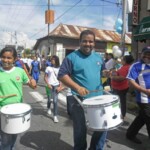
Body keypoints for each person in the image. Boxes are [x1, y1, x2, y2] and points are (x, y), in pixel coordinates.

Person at [58, 30, 107, 150]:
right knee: (80, 130)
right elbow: (62, 75)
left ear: (94, 43)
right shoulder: (71, 57)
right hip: (79, 101)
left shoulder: (99, 58)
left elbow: (102, 73)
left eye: (90, 41)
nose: (87, 44)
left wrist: (107, 74)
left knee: (102, 127)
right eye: (84, 41)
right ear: (80, 42)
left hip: (98, 99)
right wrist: (77, 87)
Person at [0, 47, 36, 150]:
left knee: (14, 137)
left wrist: (32, 81)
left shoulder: (20, 71)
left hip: (17, 111)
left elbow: (30, 84)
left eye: (9, 58)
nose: (6, 60)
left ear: (14, 59)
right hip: (2, 111)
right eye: (3, 57)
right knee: (5, 140)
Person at [126, 46, 150, 144]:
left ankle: (130, 134)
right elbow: (130, 81)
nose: (147, 56)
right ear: (141, 54)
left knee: (142, 117)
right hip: (144, 99)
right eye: (146, 54)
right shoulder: (136, 66)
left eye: (149, 54)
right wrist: (144, 90)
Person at [110, 55, 134, 120]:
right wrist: (113, 72)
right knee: (121, 101)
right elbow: (118, 74)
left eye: (122, 59)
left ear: (125, 61)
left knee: (120, 102)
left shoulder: (125, 68)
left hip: (120, 88)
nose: (121, 61)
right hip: (121, 87)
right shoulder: (125, 67)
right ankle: (121, 114)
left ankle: (121, 115)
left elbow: (121, 78)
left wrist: (111, 76)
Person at [44, 55, 63, 123]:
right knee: (49, 100)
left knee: (55, 101)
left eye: (53, 60)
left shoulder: (60, 68)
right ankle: (48, 108)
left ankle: (55, 116)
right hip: (49, 86)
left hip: (56, 86)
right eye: (51, 59)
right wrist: (48, 84)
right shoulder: (48, 68)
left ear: (56, 60)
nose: (52, 61)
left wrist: (60, 86)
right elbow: (45, 77)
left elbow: (61, 78)